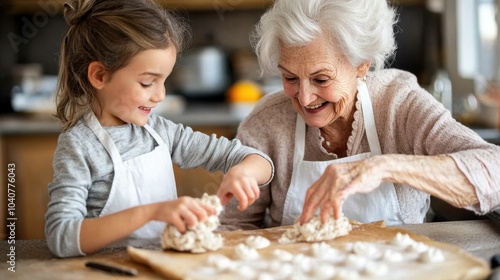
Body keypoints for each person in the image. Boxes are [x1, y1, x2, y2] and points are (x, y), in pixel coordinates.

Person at [219, 0, 500, 230]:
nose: (304, 98)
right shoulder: (266, 123)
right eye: (290, 78)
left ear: (362, 66)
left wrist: (383, 167)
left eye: (321, 79)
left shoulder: (399, 104)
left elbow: (494, 172)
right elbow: (232, 227)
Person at [45, 0, 273, 258]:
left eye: (164, 81)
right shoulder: (80, 146)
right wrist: (151, 212)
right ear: (99, 75)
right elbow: (60, 237)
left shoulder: (159, 132)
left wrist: (244, 172)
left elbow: (258, 160)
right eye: (147, 83)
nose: (160, 95)